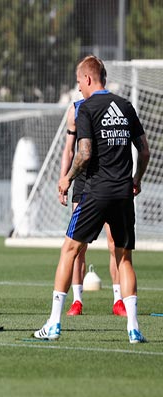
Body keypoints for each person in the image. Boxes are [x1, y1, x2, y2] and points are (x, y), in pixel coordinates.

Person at [34, 55, 150, 343]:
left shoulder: (86, 108)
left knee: (70, 250)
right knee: (124, 258)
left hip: (96, 192)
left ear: (88, 78)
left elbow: (83, 153)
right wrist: (136, 179)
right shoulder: (125, 106)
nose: (78, 89)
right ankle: (134, 328)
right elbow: (145, 150)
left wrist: (67, 178)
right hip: (123, 193)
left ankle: (53, 324)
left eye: (78, 83)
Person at [59, 104, 126, 317]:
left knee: (115, 242)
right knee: (78, 245)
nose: (79, 85)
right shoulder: (76, 110)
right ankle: (77, 301)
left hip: (108, 181)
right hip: (82, 182)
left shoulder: (115, 107)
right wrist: (63, 179)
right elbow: (69, 148)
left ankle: (119, 301)